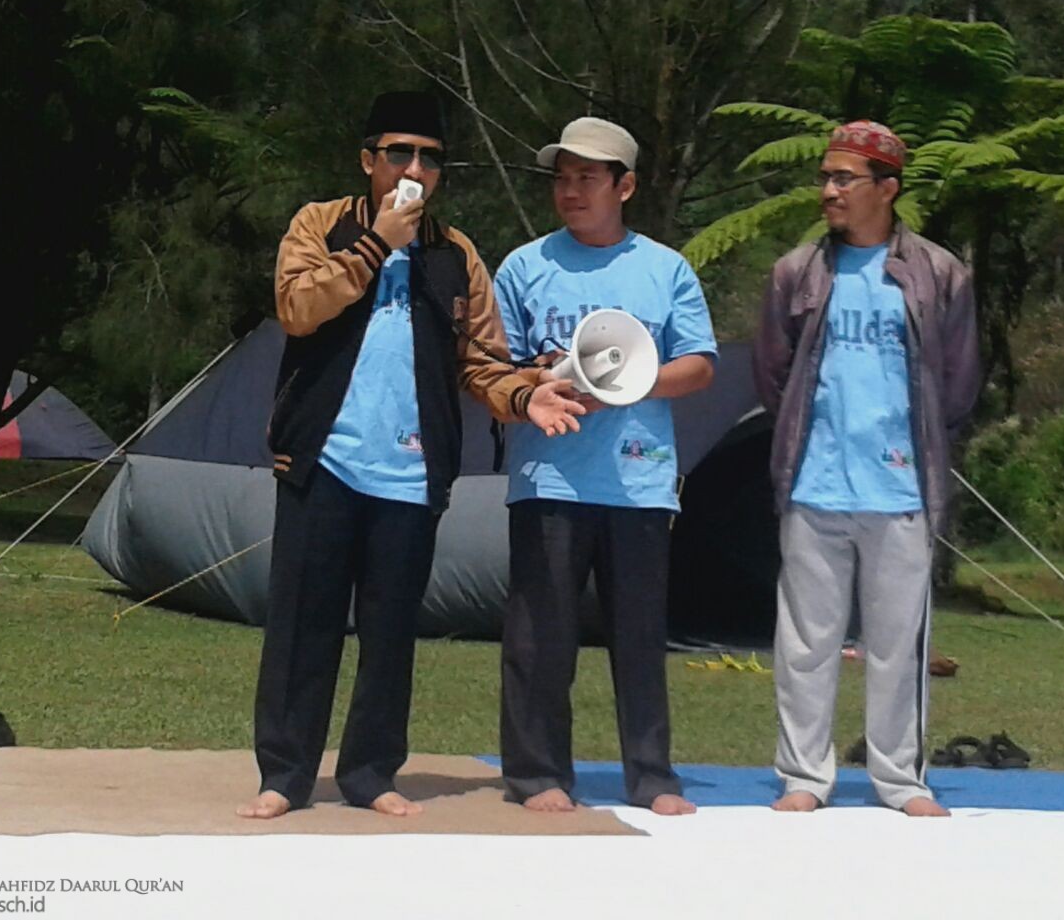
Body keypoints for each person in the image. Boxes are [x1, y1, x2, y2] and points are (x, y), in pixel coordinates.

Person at [239, 91, 585, 820]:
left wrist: (527, 397)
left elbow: (482, 360)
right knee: (304, 626)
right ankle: (284, 774)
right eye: (400, 153)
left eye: (430, 158)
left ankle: (370, 774)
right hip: (323, 458)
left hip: (412, 470)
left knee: (391, 633)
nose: (415, 169)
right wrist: (376, 246)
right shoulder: (320, 224)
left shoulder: (456, 255)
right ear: (369, 161)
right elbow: (297, 307)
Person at [752, 120, 980, 817]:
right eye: (825, 177)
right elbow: (773, 374)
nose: (828, 190)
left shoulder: (939, 274)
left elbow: (958, 381)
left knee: (897, 645)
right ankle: (804, 777)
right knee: (806, 644)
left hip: (900, 485)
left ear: (887, 187)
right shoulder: (798, 271)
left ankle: (901, 779)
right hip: (816, 480)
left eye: (843, 179)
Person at [493, 117, 717, 816]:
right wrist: (534, 382)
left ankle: (651, 776)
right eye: (562, 177)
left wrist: (634, 381)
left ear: (626, 186)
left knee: (640, 636)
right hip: (549, 477)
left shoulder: (665, 268)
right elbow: (495, 374)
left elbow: (701, 364)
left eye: (587, 177)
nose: (570, 190)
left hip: (640, 479)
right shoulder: (525, 266)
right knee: (541, 636)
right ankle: (537, 776)